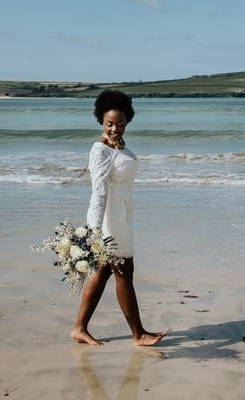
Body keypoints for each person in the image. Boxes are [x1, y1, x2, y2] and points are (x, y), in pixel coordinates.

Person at [71, 90, 166, 346]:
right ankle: (138, 334)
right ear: (101, 121)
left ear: (128, 121)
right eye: (109, 124)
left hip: (122, 214)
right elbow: (98, 192)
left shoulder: (117, 145)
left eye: (120, 124)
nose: (115, 129)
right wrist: (93, 231)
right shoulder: (100, 149)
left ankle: (80, 328)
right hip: (110, 219)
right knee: (124, 272)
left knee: (103, 272)